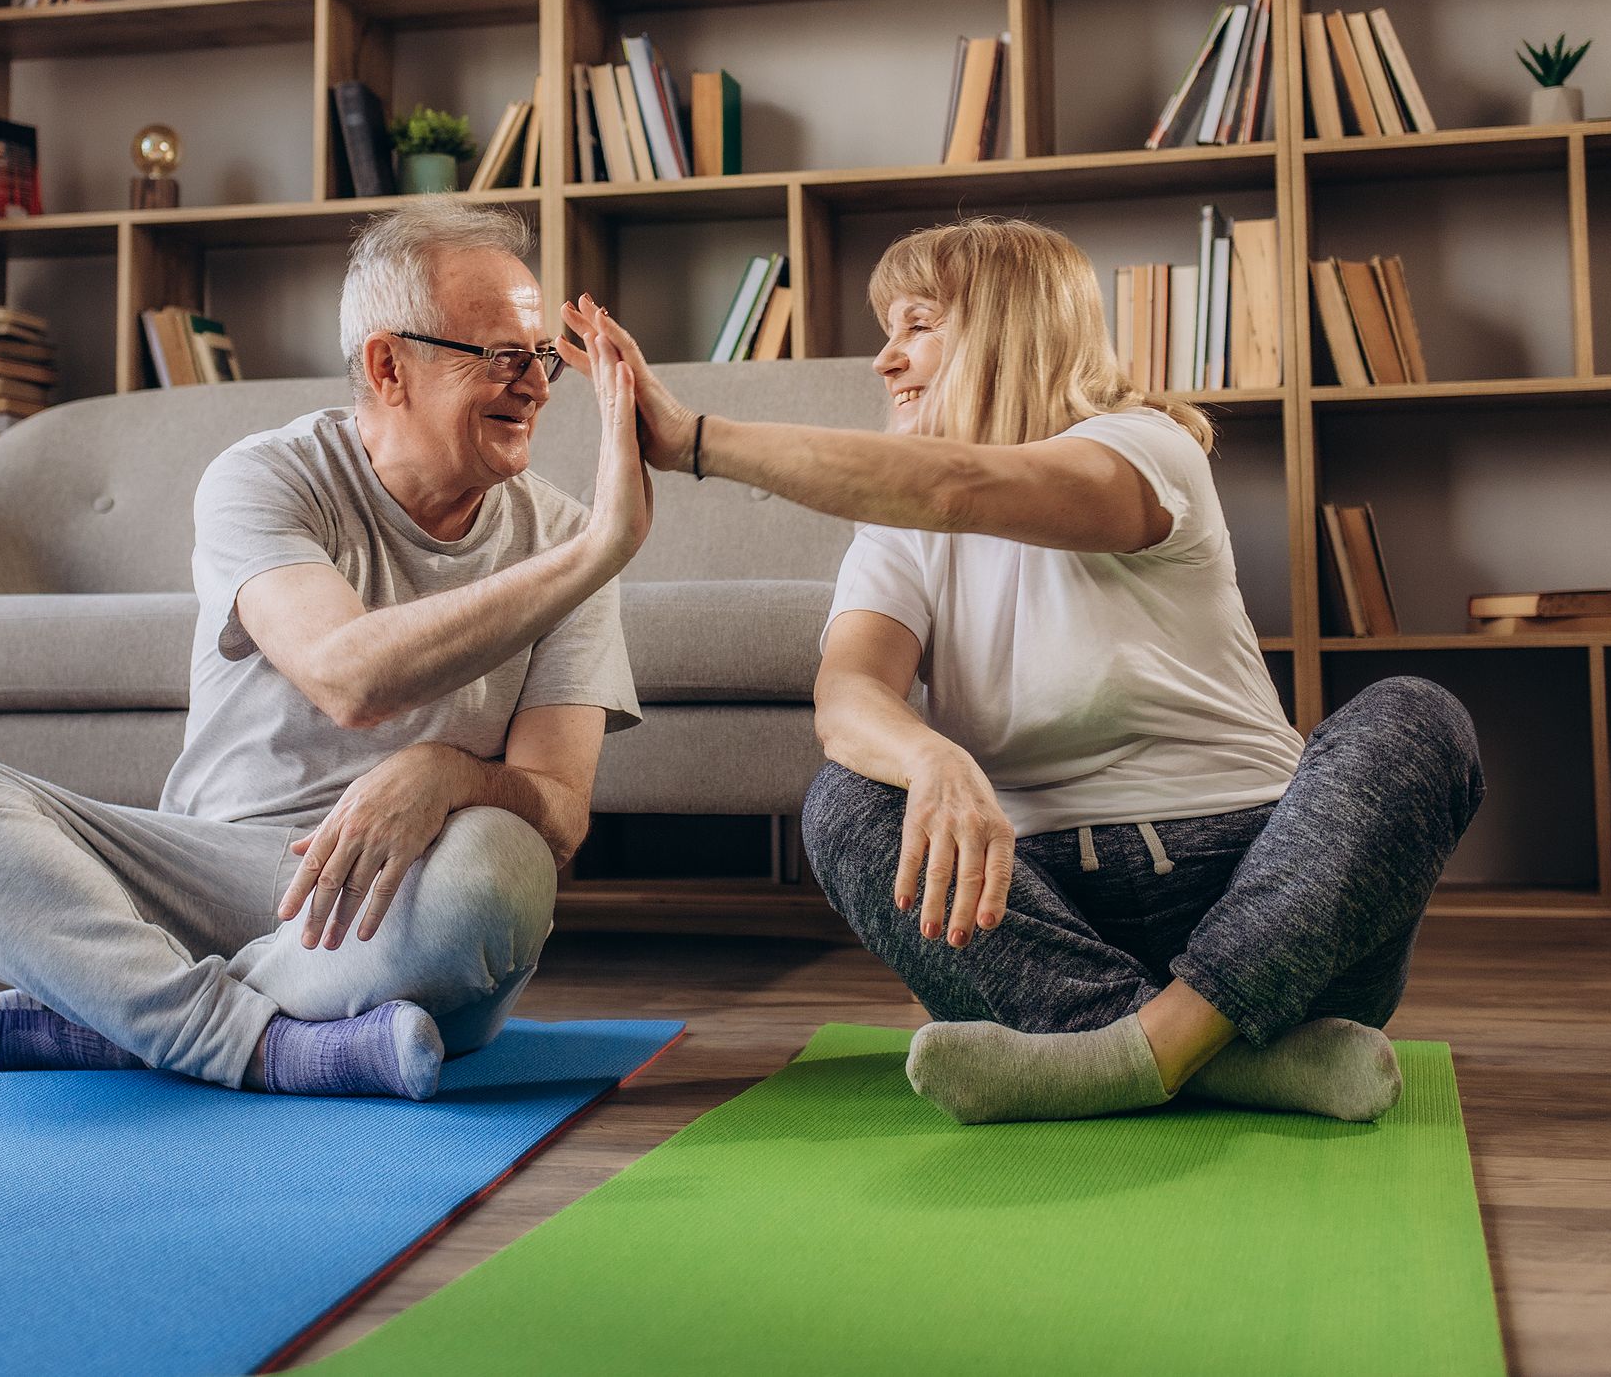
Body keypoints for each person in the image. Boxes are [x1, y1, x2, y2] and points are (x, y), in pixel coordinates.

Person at [562, 217, 1481, 1125]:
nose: (885, 360)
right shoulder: (893, 529)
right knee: (844, 796)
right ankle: (1237, 1059)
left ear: (1012, 331)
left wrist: (693, 442)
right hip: (1035, 912)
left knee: (1414, 716)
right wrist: (929, 758)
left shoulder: (1147, 448)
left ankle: (1135, 1049)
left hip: (1263, 896)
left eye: (918, 326)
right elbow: (848, 697)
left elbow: (959, 488)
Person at [0, 204, 648, 1101]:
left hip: (387, 908)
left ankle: (123, 1018)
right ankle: (274, 1045)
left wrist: (452, 776)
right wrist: (593, 558)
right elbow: (349, 676)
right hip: (202, 873)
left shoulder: (567, 538)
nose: (537, 385)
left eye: (541, 357)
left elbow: (562, 811)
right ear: (390, 365)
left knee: (505, 870)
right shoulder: (266, 476)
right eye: (502, 356)